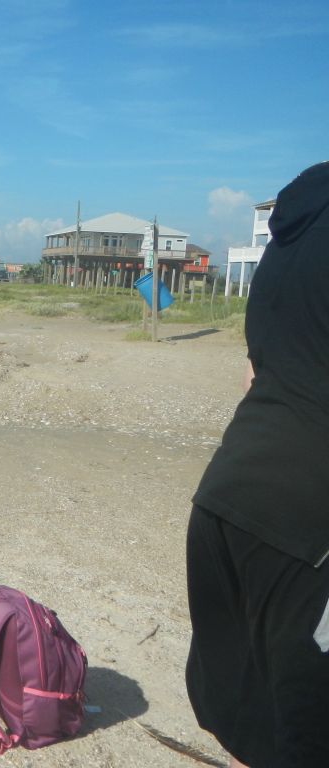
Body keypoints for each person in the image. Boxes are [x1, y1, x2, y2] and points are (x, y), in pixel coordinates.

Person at [186, 161, 329, 768]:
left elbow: (254, 374)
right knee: (305, 731)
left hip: (226, 494)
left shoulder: (289, 241)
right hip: (307, 527)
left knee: (252, 719)